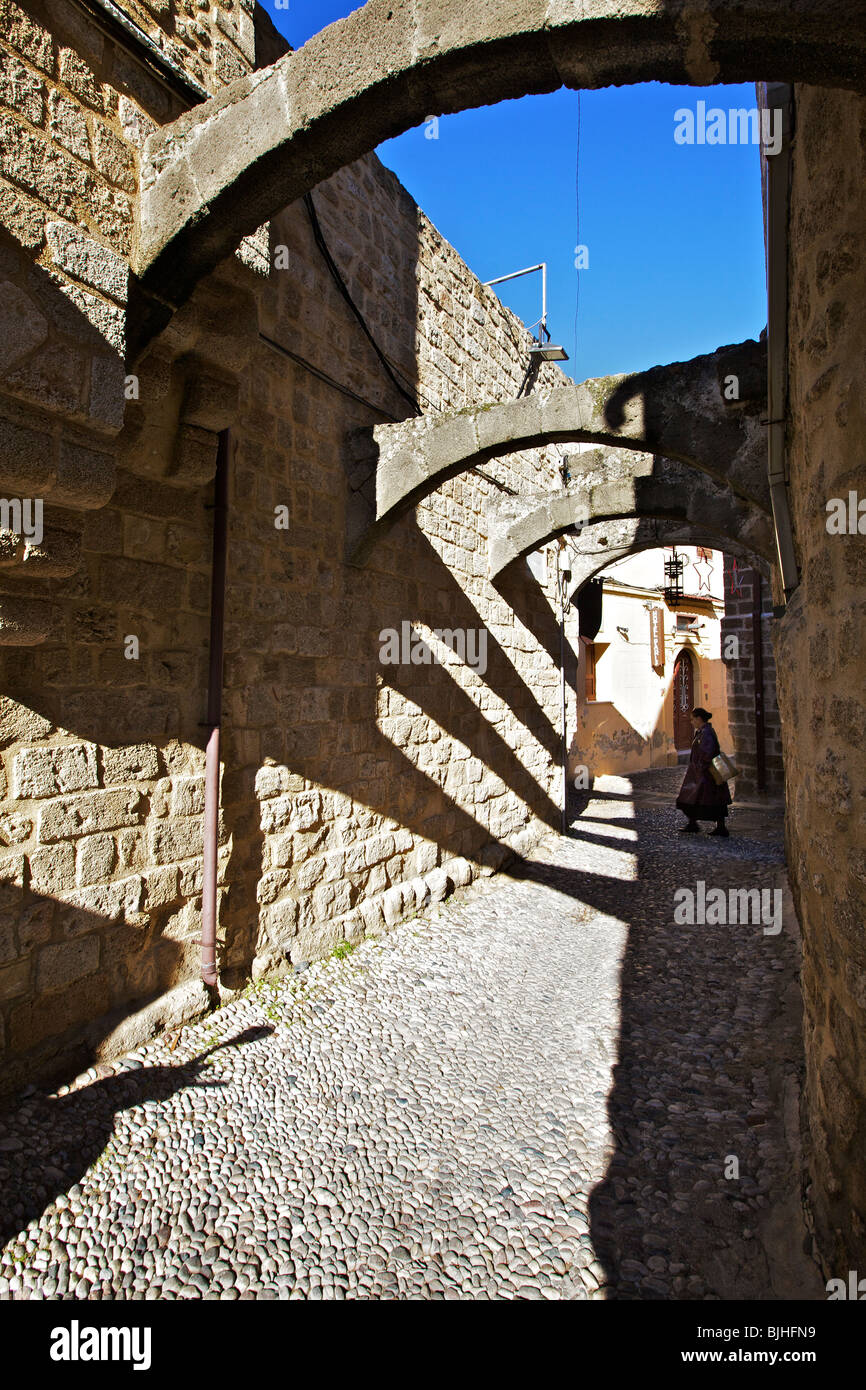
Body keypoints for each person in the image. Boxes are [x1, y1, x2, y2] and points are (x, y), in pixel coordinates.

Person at [675, 707, 732, 836]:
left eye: (692, 719)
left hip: (706, 774)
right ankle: (695, 823)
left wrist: (701, 767)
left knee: (704, 798)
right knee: (697, 798)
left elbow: (708, 752)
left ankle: (715, 827)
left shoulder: (706, 733)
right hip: (701, 772)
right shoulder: (703, 731)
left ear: (699, 718)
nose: (691, 722)